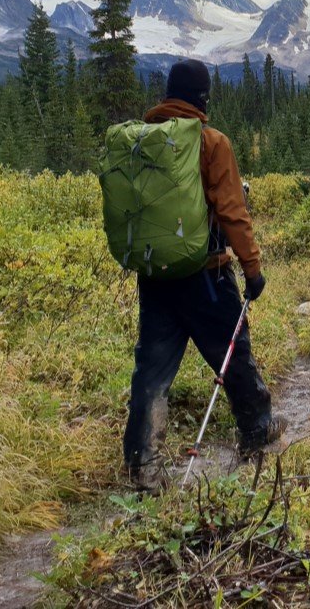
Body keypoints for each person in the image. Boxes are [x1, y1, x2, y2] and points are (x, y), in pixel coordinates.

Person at [123, 58, 285, 490]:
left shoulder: (144, 142)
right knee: (233, 352)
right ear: (202, 97)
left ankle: (143, 464)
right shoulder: (211, 143)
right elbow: (233, 212)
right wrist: (252, 269)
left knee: (152, 371)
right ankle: (257, 429)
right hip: (207, 277)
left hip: (156, 277)